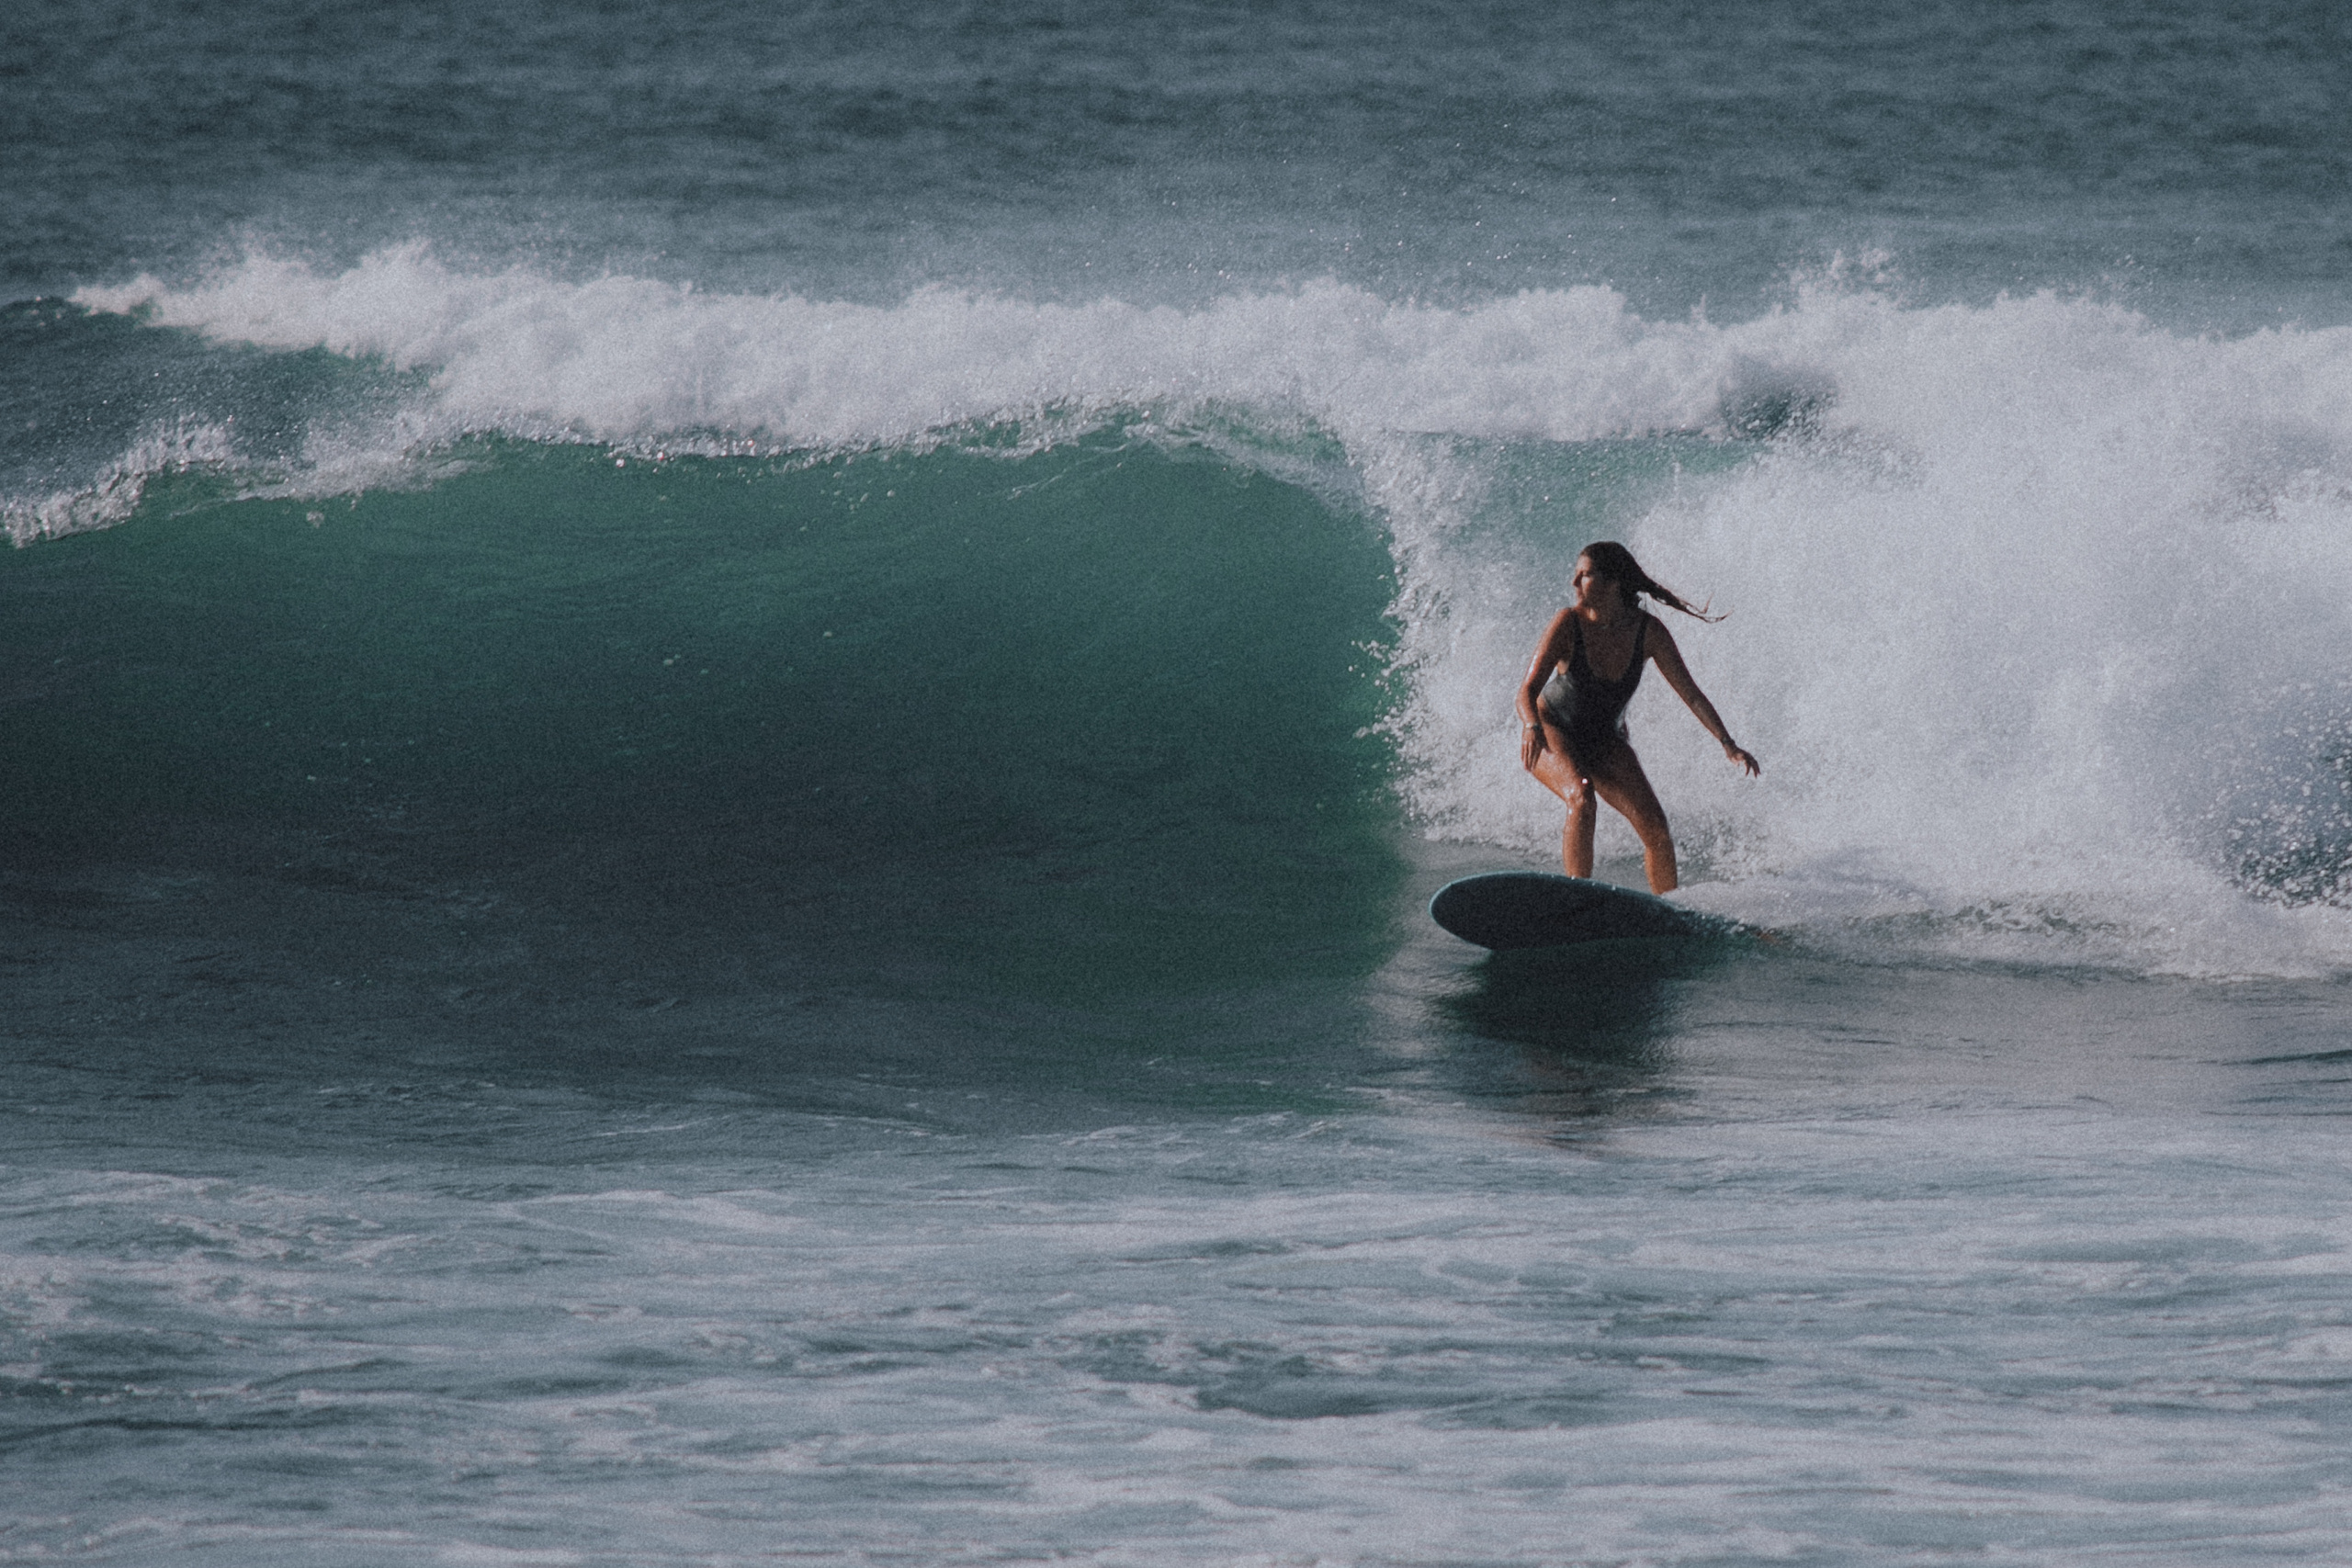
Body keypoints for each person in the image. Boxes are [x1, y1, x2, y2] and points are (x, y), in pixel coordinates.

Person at [1516, 541, 1758, 893]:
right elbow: (1526, 690)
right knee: (1582, 797)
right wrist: (1531, 726)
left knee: (1656, 829)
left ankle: (1668, 908)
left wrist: (1728, 744)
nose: (1574, 583)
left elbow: (1690, 693)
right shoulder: (1568, 623)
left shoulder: (1648, 632)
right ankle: (1575, 898)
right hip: (1552, 729)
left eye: (1585, 575)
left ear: (1613, 583)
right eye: (1576, 575)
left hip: (1604, 739)